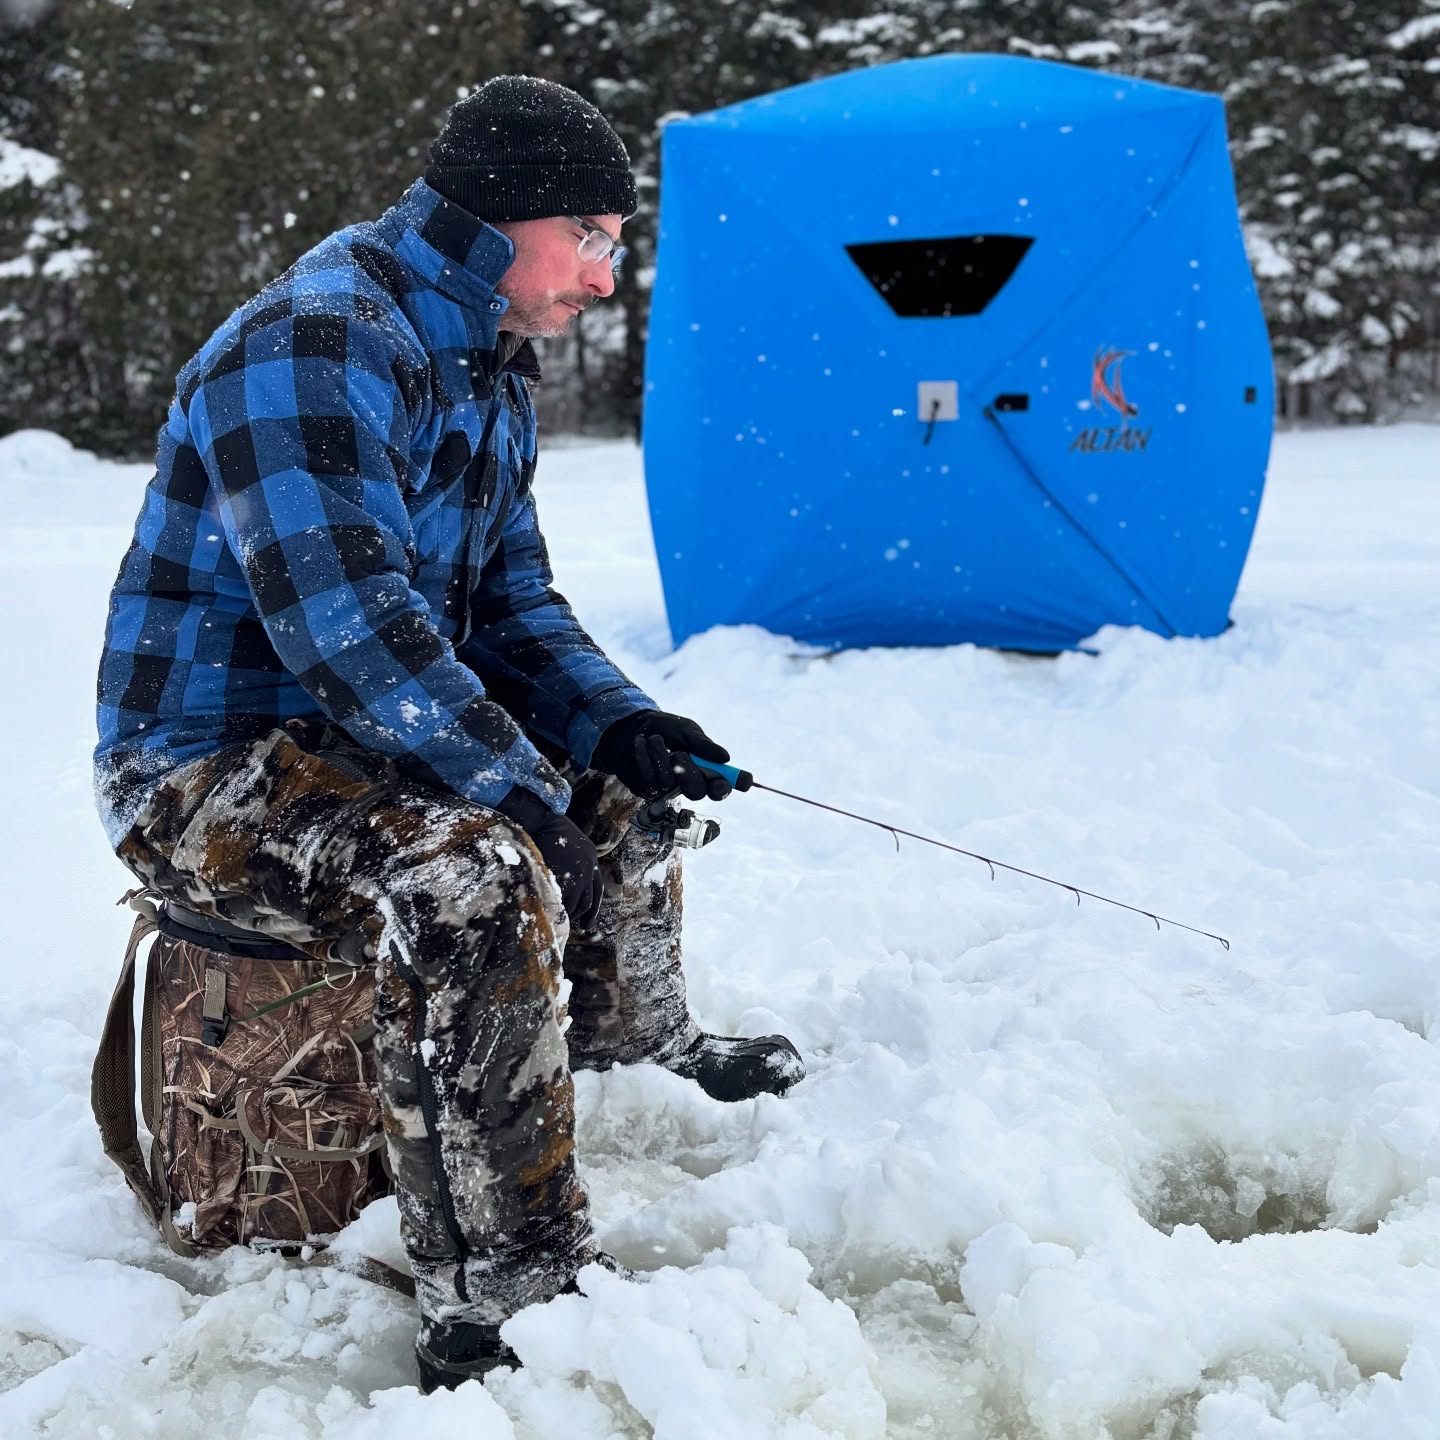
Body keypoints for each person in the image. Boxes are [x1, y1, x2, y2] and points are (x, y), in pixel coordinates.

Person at [93, 74, 804, 1392]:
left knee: (613, 785)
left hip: (362, 735)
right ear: (499, 216)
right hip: (206, 770)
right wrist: (512, 791)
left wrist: (622, 725)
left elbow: (512, 607)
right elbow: (347, 623)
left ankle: (630, 1053)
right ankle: (506, 1284)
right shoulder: (314, 342)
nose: (603, 277)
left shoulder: (487, 365)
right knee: (470, 875)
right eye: (588, 236)